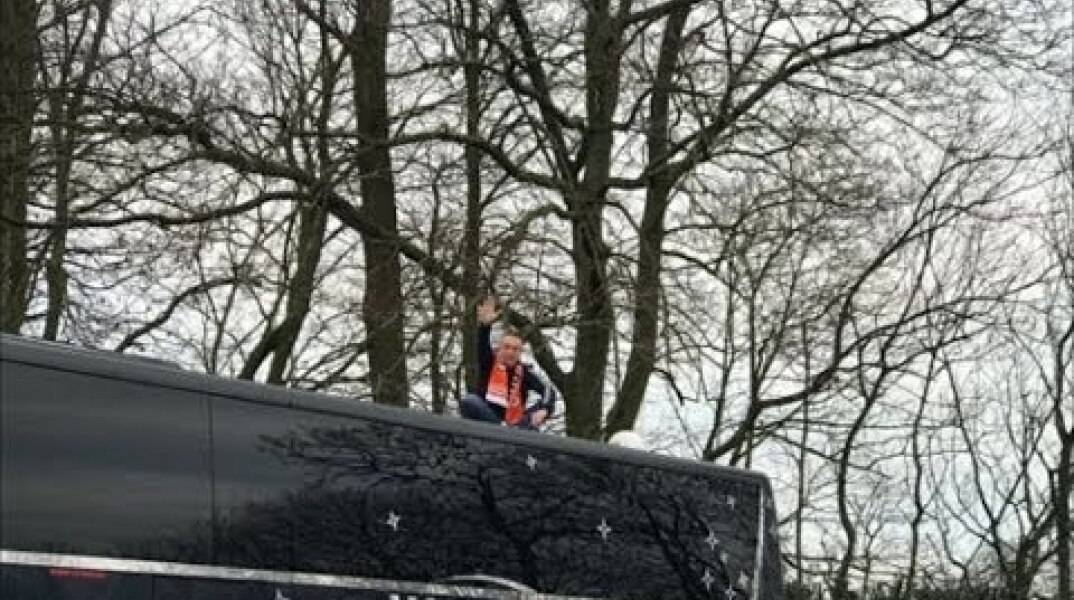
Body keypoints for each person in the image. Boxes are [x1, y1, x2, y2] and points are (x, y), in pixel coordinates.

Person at [459, 296, 556, 430]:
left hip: (516, 422)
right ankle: (502, 428)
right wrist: (485, 326)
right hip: (488, 417)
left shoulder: (525, 373)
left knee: (535, 416)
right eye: (507, 347)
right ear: (499, 349)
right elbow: (482, 346)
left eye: (515, 349)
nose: (510, 352)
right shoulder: (489, 362)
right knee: (469, 401)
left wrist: (544, 409)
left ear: (520, 353)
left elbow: (548, 389)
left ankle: (512, 429)